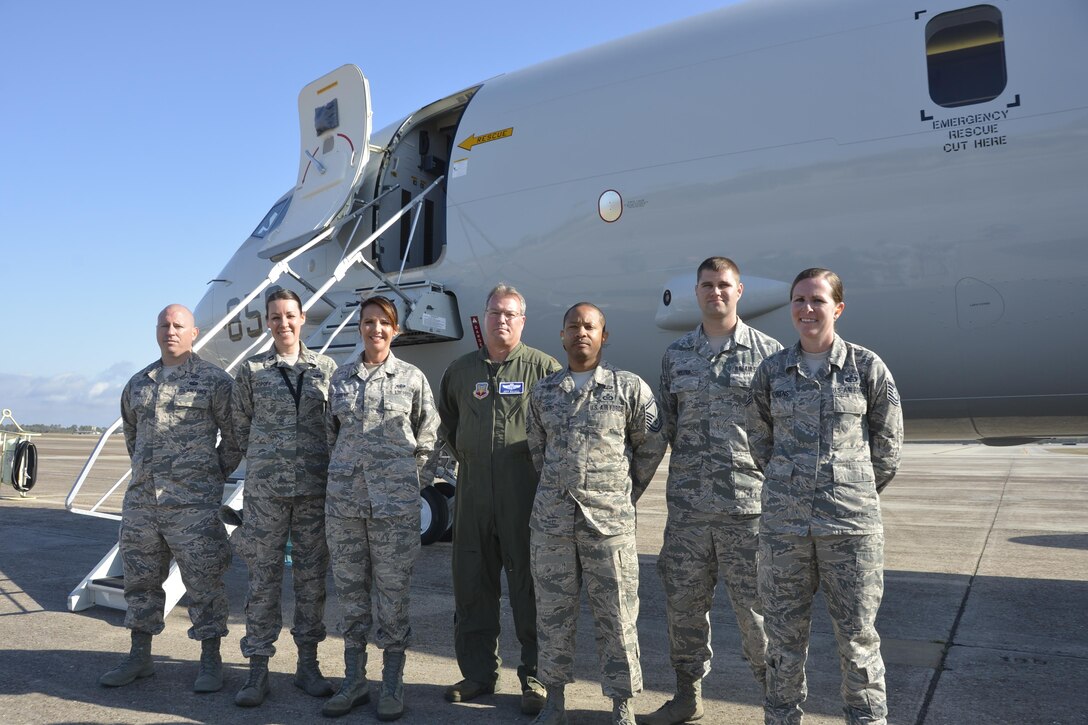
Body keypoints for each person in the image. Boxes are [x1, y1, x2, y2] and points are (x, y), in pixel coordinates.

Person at [746, 269, 903, 725]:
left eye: (817, 300)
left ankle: (867, 719)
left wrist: (849, 493)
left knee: (857, 639)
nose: (806, 309)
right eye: (799, 300)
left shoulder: (866, 367)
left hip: (849, 531)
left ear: (837, 307)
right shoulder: (772, 371)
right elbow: (760, 440)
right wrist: (790, 486)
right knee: (782, 640)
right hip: (784, 532)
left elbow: (887, 448)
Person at [644, 257, 782, 725]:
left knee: (759, 615)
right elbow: (665, 427)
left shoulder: (769, 354)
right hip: (687, 513)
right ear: (697, 292)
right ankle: (687, 696)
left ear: (739, 290)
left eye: (724, 285)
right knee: (683, 609)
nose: (715, 292)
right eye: (707, 285)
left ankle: (777, 704)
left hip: (748, 511)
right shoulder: (676, 355)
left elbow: (782, 435)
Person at [527, 302, 667, 725]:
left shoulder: (629, 388)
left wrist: (622, 494)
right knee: (552, 616)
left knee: (618, 619)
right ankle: (554, 701)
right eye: (573, 327)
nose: (581, 333)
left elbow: (651, 446)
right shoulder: (544, 392)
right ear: (562, 337)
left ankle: (622, 705)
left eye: (590, 326)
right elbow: (537, 450)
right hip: (552, 525)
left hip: (609, 528)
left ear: (604, 336)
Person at [99, 304, 241, 692]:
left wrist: (210, 475)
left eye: (179, 326)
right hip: (143, 505)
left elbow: (235, 438)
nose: (171, 331)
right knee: (141, 583)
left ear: (194, 333)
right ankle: (139, 658)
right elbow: (132, 437)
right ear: (156, 331)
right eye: (165, 325)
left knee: (205, 583)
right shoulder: (138, 383)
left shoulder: (215, 381)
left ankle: (211, 661)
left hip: (193, 507)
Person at [438, 283, 561, 715]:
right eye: (495, 313)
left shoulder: (544, 370)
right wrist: (474, 461)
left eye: (510, 314)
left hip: (525, 496)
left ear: (522, 321)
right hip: (472, 494)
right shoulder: (460, 372)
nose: (502, 320)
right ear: (483, 318)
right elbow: (449, 426)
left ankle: (535, 679)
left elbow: (559, 433)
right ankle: (477, 674)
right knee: (472, 584)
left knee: (530, 588)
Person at [322, 296, 439, 721]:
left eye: (384, 323)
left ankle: (392, 683)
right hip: (346, 509)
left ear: (396, 330)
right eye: (368, 322)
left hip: (395, 513)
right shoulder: (340, 380)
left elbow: (429, 438)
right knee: (352, 600)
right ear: (360, 328)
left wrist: (410, 484)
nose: (376, 329)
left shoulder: (411, 378)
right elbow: (329, 438)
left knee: (392, 599)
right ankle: (354, 681)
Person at [230, 289, 338, 707]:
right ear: (267, 322)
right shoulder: (251, 371)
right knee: (262, 581)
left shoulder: (326, 369)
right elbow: (240, 428)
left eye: (290, 316)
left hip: (313, 492)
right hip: (266, 495)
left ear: (302, 318)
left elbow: (334, 429)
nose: (283, 323)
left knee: (311, 582)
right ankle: (257, 670)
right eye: (275, 317)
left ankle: (307, 666)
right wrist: (266, 463)